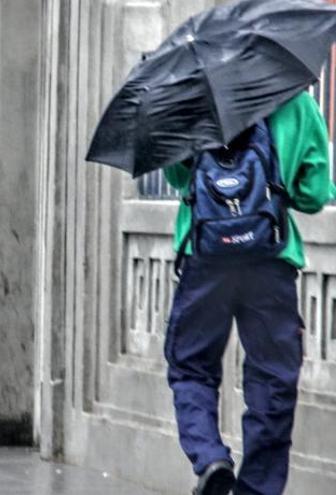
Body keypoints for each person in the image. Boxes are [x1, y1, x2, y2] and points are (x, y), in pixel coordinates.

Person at [163, 91, 336, 495]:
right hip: (270, 258)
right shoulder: (296, 100)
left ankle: (210, 458)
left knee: (191, 366)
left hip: (203, 255)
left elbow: (175, 178)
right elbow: (313, 195)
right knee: (273, 379)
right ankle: (257, 489)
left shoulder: (192, 97)